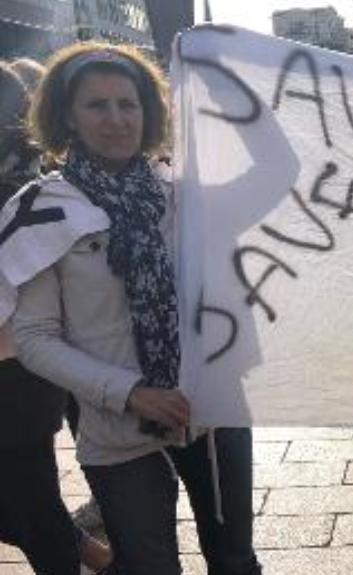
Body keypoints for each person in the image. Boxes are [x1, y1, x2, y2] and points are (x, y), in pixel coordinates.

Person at [4, 42, 261, 575]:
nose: (116, 119)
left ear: (150, 111)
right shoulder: (42, 209)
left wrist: (225, 82)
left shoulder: (183, 194)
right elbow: (33, 338)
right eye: (96, 105)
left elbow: (278, 173)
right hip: (117, 433)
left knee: (236, 563)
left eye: (129, 103)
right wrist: (130, 393)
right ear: (67, 116)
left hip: (210, 413)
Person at [0, 60, 112, 575]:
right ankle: (98, 558)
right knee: (30, 504)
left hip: (14, 368)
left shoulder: (19, 186)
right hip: (24, 366)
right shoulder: (29, 176)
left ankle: (95, 559)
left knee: (32, 504)